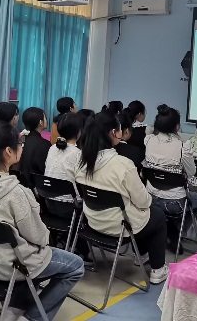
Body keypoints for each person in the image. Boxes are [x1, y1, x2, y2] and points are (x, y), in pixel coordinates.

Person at [0, 122, 84, 321]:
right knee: (76, 266)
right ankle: (32, 317)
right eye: (19, 143)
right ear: (8, 152)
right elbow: (40, 238)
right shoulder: (16, 193)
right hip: (14, 266)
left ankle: (16, 306)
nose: (22, 147)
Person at [75, 111, 169, 284]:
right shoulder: (123, 164)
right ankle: (157, 269)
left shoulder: (82, 162)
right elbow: (143, 202)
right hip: (119, 228)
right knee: (157, 215)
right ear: (114, 132)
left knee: (140, 213)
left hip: (93, 223)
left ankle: (141, 254)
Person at [143, 104, 197, 253]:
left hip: (150, 199)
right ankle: (178, 232)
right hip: (174, 204)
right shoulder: (183, 147)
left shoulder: (148, 140)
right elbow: (191, 172)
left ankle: (168, 229)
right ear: (177, 126)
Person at [44, 113, 84, 218]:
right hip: (70, 207)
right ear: (79, 131)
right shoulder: (78, 154)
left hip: (49, 203)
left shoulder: (52, 148)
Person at [17, 107, 51, 185]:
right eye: (45, 117)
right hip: (37, 186)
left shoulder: (25, 141)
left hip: (23, 183)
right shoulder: (44, 144)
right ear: (40, 122)